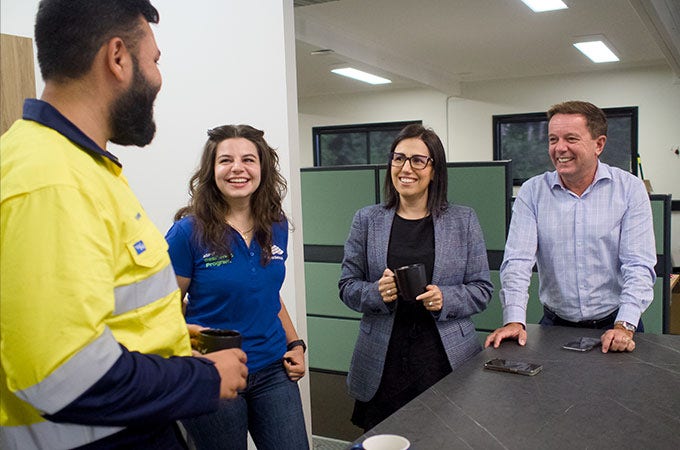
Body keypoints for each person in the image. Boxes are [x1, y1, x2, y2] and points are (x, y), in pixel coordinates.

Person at [0, 1, 248, 449]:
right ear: (117, 58)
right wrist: (202, 379)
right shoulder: (52, 181)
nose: (157, 78)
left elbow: (73, 318)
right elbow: (63, 375)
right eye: (153, 61)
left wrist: (168, 336)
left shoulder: (80, 167)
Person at [338, 124, 494, 431]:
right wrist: (376, 293)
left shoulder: (463, 220)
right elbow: (347, 285)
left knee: (445, 437)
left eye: (417, 160)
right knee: (384, 438)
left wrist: (444, 297)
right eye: (398, 159)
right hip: (384, 357)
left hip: (442, 356)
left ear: (434, 170)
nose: (406, 168)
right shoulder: (367, 220)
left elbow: (482, 290)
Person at [165, 124, 309, 450]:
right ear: (212, 171)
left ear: (262, 169)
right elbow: (163, 312)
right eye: (225, 160)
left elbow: (269, 294)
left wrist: (295, 343)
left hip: (273, 370)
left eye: (248, 159)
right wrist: (201, 354)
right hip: (213, 371)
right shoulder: (187, 233)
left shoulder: (276, 225)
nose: (238, 168)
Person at [485, 100, 656, 353]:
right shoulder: (532, 192)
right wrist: (514, 319)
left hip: (616, 324)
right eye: (553, 139)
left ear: (599, 144)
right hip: (555, 326)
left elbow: (638, 265)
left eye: (571, 139)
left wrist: (623, 326)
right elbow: (517, 262)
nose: (559, 148)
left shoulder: (629, 189)